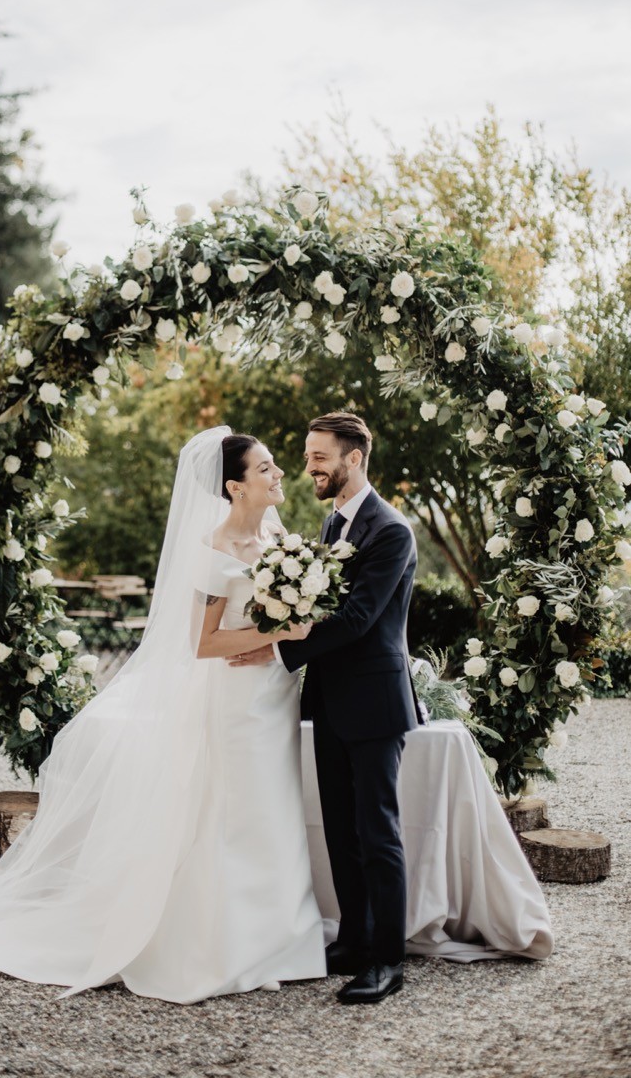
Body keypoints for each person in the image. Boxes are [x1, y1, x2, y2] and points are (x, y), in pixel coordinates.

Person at [0, 427, 326, 1003]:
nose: (278, 474)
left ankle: (282, 938)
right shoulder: (216, 549)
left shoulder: (276, 534)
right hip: (234, 703)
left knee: (274, 808)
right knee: (233, 813)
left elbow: (294, 612)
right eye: (265, 468)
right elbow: (202, 643)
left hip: (272, 695)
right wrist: (281, 631)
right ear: (236, 486)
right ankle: (225, 945)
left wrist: (287, 635)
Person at [230, 411, 419, 1005]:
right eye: (308, 456)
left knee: (377, 832)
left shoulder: (391, 532)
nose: (309, 466)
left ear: (353, 458)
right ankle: (355, 940)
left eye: (318, 457)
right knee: (339, 828)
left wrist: (275, 645)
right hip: (331, 702)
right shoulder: (332, 522)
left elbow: (360, 619)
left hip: (375, 702)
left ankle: (388, 960)